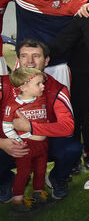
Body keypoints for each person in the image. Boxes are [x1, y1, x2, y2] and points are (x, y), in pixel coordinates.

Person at [0, 41, 82, 201]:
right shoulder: (3, 84)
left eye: (36, 56)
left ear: (46, 61)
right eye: (24, 56)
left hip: (43, 145)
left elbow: (67, 127)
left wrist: (30, 127)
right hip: (9, 145)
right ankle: (5, 180)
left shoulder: (57, 88)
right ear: (18, 59)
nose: (29, 61)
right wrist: (2, 142)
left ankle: (57, 178)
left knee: (72, 148)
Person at [0, 0, 89, 85]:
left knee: (59, 98)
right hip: (25, 65)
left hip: (58, 67)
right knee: (20, 97)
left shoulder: (69, 0)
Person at [3, 68, 48, 212]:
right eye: (38, 84)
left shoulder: (42, 99)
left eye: (42, 83)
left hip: (42, 144)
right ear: (23, 87)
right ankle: (18, 200)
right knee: (24, 172)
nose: (43, 86)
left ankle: (39, 192)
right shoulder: (13, 105)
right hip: (26, 145)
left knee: (41, 169)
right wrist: (17, 140)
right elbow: (6, 126)